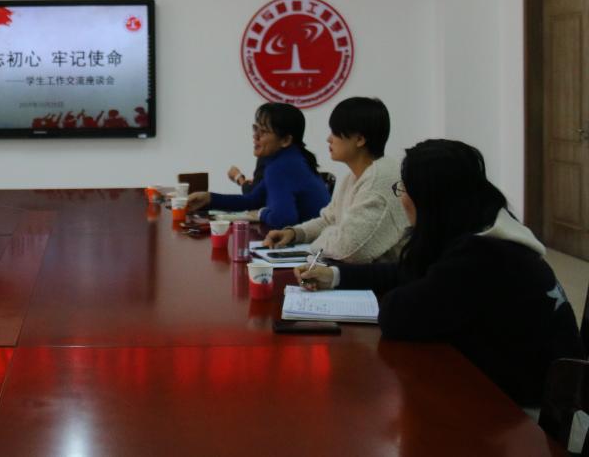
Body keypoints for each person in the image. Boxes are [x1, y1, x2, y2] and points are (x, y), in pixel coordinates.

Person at [295, 139, 585, 406]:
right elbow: (410, 273)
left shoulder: (482, 255)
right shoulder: (482, 223)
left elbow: (398, 316)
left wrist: (411, 285)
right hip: (508, 384)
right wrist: (335, 276)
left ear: (432, 198)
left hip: (526, 415)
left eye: (405, 189)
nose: (402, 198)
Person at [263, 97, 409, 263]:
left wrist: (322, 240)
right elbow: (330, 220)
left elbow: (349, 249)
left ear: (359, 139)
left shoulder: (380, 181)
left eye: (335, 132)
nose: (329, 139)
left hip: (387, 278)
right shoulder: (353, 177)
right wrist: (295, 233)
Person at [187, 103, 330, 227]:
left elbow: (283, 219)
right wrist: (209, 198)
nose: (255, 136)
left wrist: (261, 213)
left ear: (285, 140)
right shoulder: (292, 158)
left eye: (264, 132)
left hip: (313, 245)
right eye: (255, 129)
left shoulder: (282, 166)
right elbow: (253, 200)